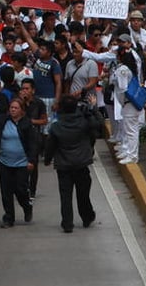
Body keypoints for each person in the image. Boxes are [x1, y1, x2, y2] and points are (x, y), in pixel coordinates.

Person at [44, 94, 103, 233]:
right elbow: (98, 124)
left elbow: (50, 146)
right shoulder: (84, 122)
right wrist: (92, 108)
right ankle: (87, 216)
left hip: (64, 166)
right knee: (83, 194)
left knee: (65, 195)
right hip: (81, 164)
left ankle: (67, 223)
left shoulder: (56, 126)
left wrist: (47, 159)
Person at [0, 98, 38, 228]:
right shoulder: (2, 120)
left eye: (16, 108)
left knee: (20, 190)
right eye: (11, 107)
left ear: (22, 111)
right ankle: (8, 218)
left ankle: (26, 207)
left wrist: (31, 160)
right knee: (6, 191)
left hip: (21, 163)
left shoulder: (27, 124)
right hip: (4, 162)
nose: (13, 110)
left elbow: (33, 144)